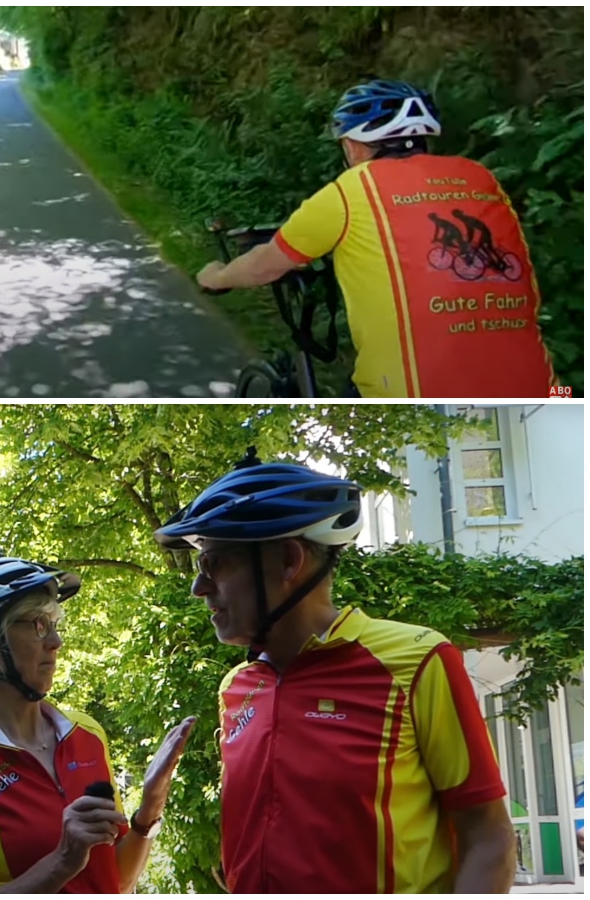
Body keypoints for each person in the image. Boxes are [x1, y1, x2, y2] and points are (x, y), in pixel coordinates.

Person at [153, 449, 517, 893]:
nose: (198, 588)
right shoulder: (238, 687)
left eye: (215, 563)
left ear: (288, 561)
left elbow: (489, 835)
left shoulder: (417, 660)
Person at [195, 79, 555, 399]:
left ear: (352, 145)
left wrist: (217, 276)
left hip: (416, 394)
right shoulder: (480, 177)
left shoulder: (351, 190)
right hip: (543, 389)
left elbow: (263, 267)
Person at [0, 544, 194, 893]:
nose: (56, 641)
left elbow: (116, 882)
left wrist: (150, 806)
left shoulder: (88, 734)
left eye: (54, 625)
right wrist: (63, 861)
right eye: (38, 625)